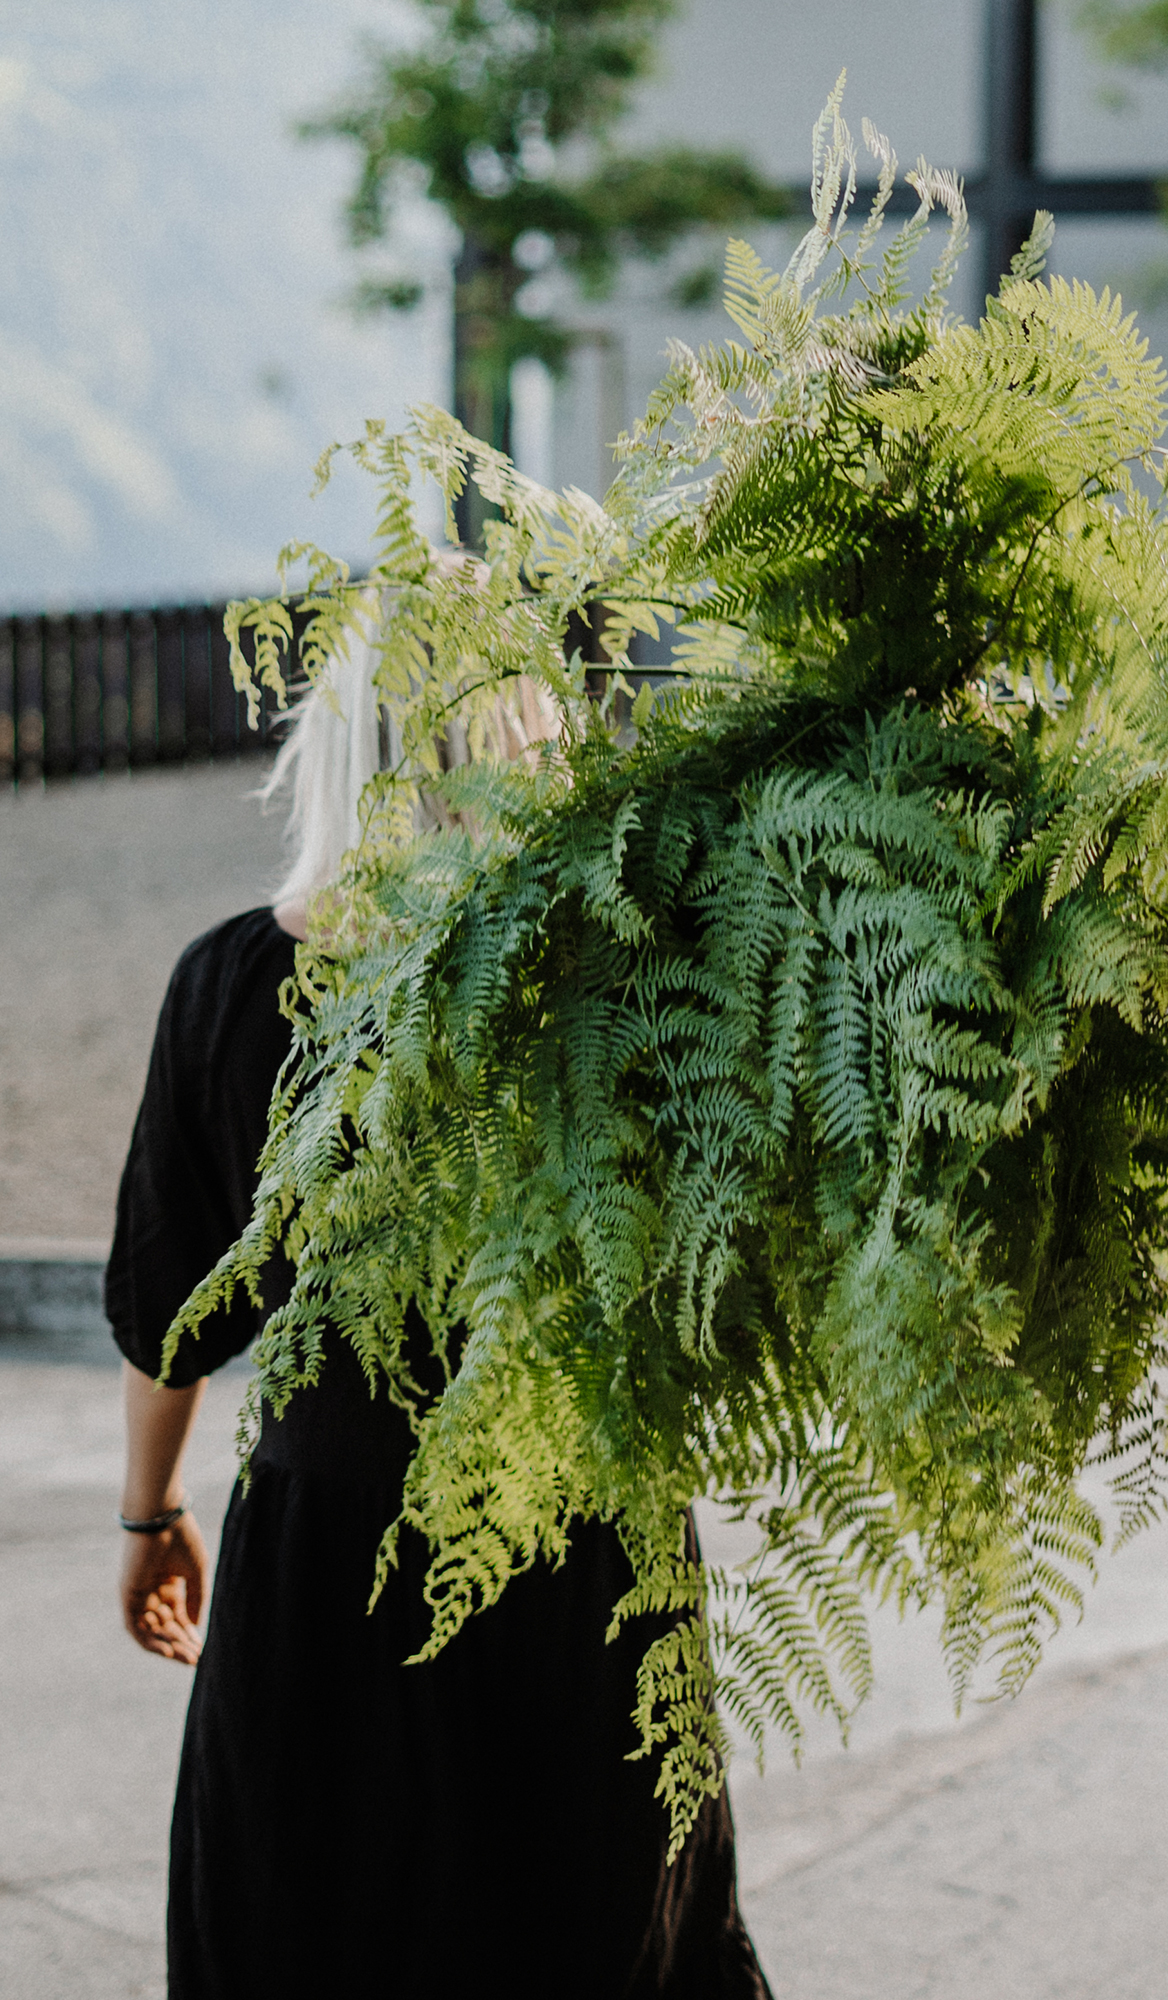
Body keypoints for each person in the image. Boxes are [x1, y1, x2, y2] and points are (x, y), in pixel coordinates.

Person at [109, 636, 772, 1999]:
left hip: (318, 1575)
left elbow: (168, 1309)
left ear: (339, 741)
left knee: (314, 1939)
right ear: (524, 724)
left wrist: (149, 1512)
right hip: (583, 1548)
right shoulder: (619, 975)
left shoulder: (230, 987)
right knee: (587, 1944)